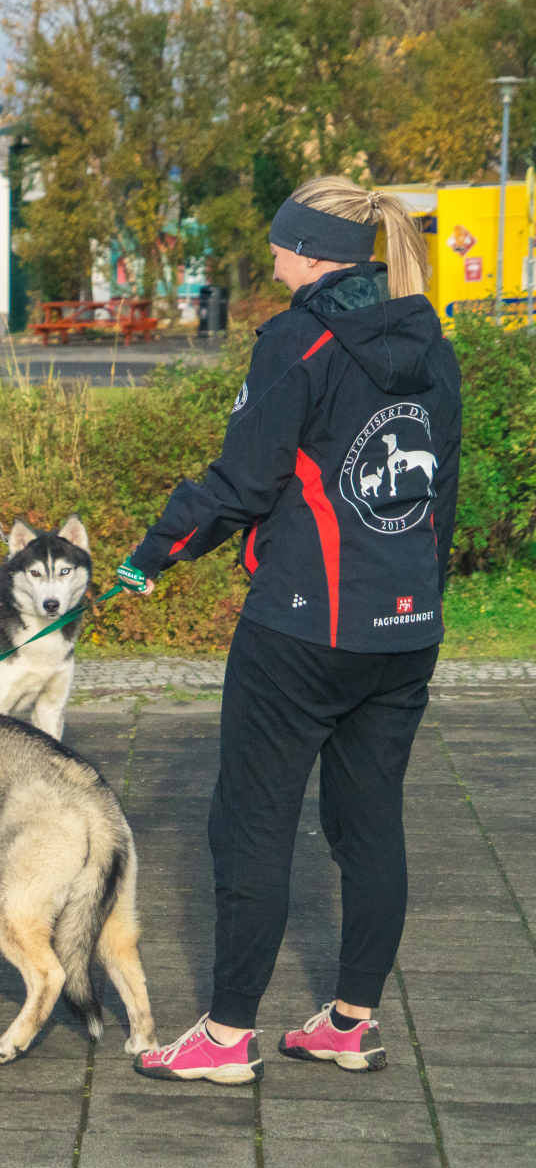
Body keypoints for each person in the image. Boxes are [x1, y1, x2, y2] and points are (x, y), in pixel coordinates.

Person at [121, 176, 461, 1085]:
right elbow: (441, 496)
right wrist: (418, 593)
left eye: (278, 240)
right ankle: (352, 1021)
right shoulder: (433, 340)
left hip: (303, 630)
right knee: (370, 821)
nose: (269, 254)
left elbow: (242, 482)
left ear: (308, 250)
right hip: (406, 628)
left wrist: (150, 555)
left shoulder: (296, 339)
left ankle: (228, 1036)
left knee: (251, 824)